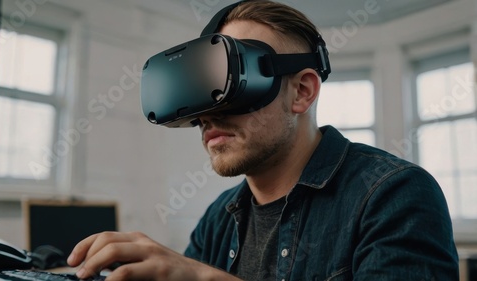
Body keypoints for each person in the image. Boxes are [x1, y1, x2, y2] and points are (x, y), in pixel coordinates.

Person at [67, 1, 460, 280]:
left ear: (302, 92)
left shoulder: (394, 195)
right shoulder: (220, 217)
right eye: (203, 91)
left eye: (230, 84)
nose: (208, 115)